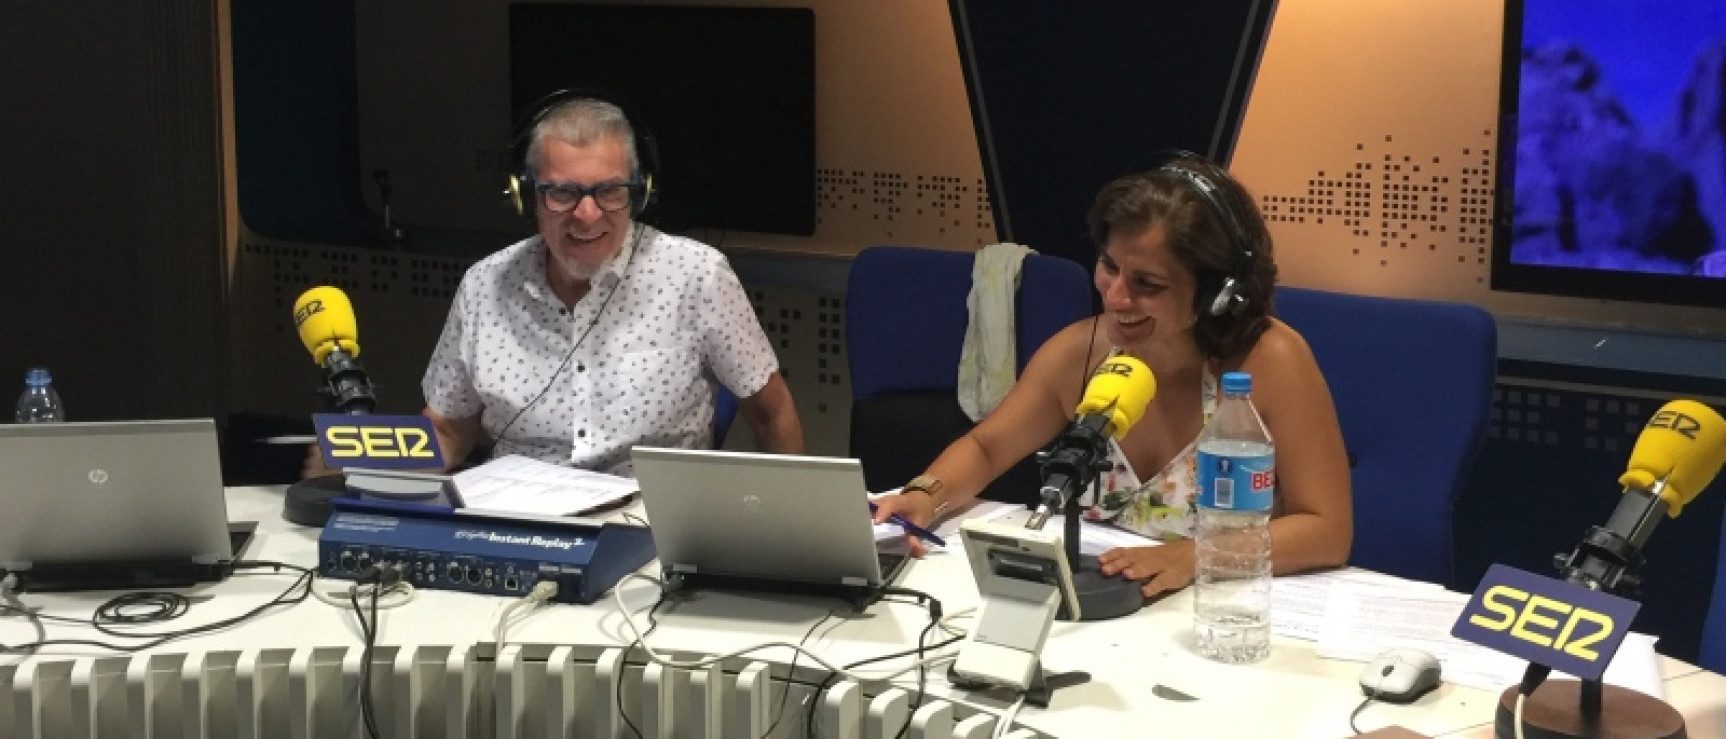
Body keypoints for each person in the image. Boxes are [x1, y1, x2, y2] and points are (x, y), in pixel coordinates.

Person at [869, 154, 1352, 597]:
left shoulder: (1272, 362)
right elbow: (986, 448)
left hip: (1226, 615)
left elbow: (1327, 530)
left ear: (1218, 293)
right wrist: (922, 496)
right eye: (1109, 266)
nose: (1116, 297)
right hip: (1109, 621)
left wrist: (1194, 557)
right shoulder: (1081, 351)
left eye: (1147, 284)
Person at [415, 96, 805, 474]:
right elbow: (448, 429)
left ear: (640, 192)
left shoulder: (697, 276)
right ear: (526, 195)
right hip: (519, 523)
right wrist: (368, 472)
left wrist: (786, 525)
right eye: (563, 193)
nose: (587, 215)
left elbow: (771, 414)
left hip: (650, 523)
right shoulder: (485, 286)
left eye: (609, 191)